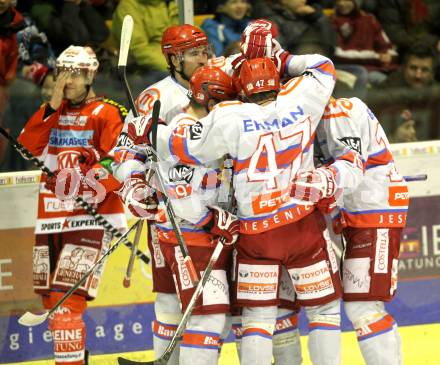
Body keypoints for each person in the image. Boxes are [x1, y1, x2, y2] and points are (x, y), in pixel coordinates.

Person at [150, 52, 345, 365]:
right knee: (323, 311)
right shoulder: (303, 97)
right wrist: (283, 58)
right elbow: (323, 65)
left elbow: (185, 146)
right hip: (301, 227)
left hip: (256, 234)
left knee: (257, 319)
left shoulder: (230, 115)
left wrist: (148, 130)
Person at [17, 45, 126, 365]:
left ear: (92, 74)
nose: (68, 79)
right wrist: (52, 102)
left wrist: (87, 180)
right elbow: (26, 149)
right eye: (62, 72)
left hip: (90, 217)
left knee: (67, 306)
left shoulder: (108, 112)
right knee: (52, 303)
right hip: (50, 216)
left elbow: (121, 163)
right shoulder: (51, 111)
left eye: (76, 72)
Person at [110, 24, 212, 364]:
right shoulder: (154, 98)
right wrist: (136, 185)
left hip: (220, 211)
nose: (204, 58)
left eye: (204, 50)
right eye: (194, 53)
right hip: (170, 213)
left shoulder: (222, 87)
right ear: (173, 59)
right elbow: (124, 156)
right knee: (169, 297)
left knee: (228, 304)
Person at [125, 65, 239, 365]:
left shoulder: (180, 126)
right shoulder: (189, 130)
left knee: (203, 317)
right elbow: (181, 192)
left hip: (185, 233)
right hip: (192, 236)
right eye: (226, 100)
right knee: (208, 321)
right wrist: (211, 221)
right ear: (212, 99)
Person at [314, 95, 409, 365]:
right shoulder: (320, 114)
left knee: (364, 306)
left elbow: (350, 171)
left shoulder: (340, 113)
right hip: (359, 214)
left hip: (374, 211)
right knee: (362, 306)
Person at [331, 0, 398, 85]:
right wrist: (377, 57)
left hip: (376, 67)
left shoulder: (369, 19)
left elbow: (385, 44)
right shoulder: (334, 21)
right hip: (352, 68)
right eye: (338, 0)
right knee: (383, 81)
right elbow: (338, 53)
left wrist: (388, 55)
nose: (341, 3)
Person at [112, 0, 178, 74]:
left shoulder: (171, 3)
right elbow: (138, 49)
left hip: (175, 60)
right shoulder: (127, 7)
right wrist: (173, 66)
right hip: (144, 68)